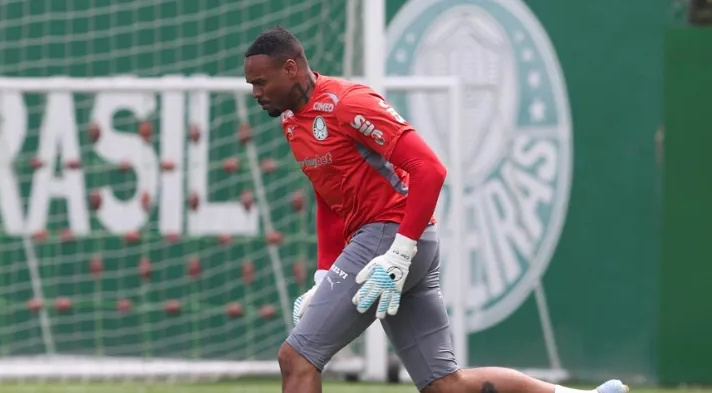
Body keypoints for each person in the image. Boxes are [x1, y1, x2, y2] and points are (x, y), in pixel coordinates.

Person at [242, 26, 629, 393]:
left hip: (391, 237)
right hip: (400, 243)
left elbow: (430, 169)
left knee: (297, 358)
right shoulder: (293, 123)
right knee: (446, 385)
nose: (256, 92)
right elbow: (328, 197)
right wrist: (324, 273)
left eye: (260, 82)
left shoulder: (348, 103)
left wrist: (399, 253)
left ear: (291, 68)